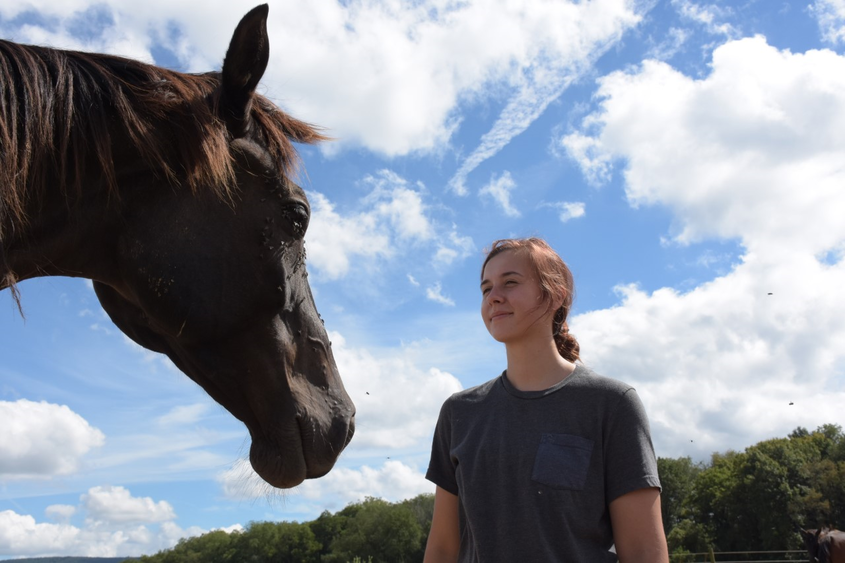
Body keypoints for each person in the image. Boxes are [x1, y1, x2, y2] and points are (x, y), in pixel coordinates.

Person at [424, 237, 668, 563]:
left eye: (510, 283)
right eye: (486, 289)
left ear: (555, 295)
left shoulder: (612, 404)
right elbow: (442, 549)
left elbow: (643, 552)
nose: (494, 297)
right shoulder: (459, 413)